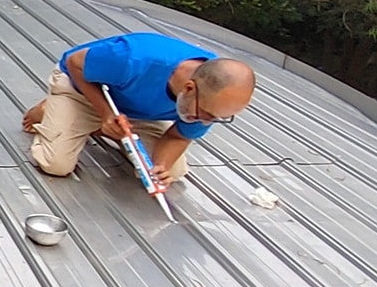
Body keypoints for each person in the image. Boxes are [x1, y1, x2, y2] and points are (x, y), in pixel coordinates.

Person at [22, 31, 255, 187]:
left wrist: (160, 167)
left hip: (139, 112)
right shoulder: (134, 58)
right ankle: (53, 107)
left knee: (171, 173)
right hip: (84, 89)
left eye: (216, 118)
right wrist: (105, 114)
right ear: (189, 87)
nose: (205, 122)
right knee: (56, 165)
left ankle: (98, 127)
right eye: (205, 114)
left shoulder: (210, 99)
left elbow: (178, 135)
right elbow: (75, 62)